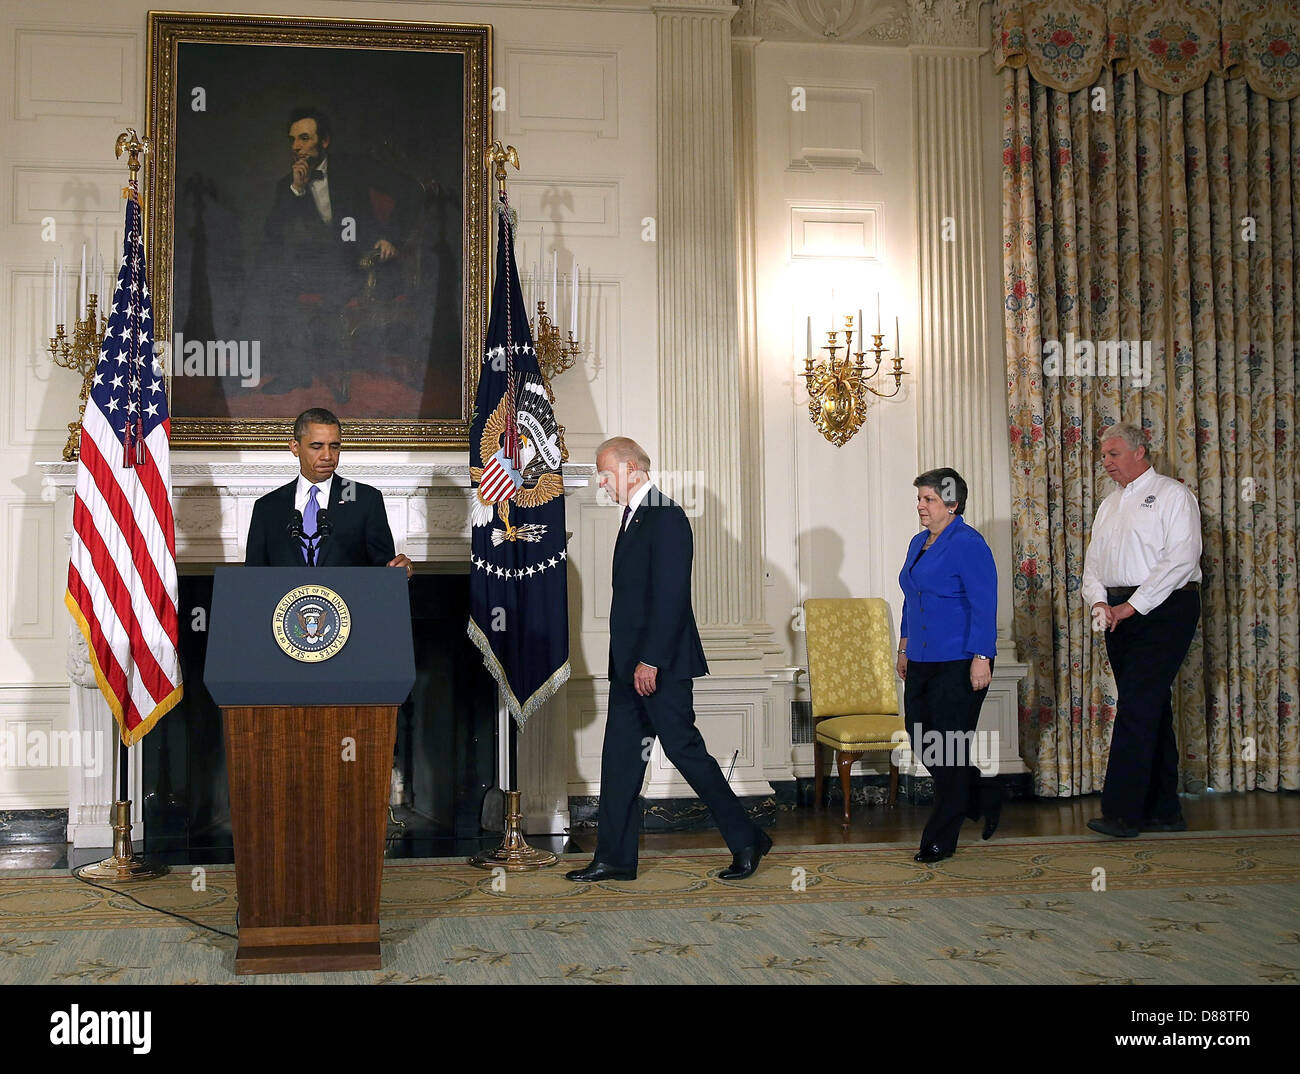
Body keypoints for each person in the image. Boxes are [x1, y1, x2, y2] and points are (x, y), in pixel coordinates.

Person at [566, 437, 772, 882]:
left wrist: (651, 660)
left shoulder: (667, 516)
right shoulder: (633, 517)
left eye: (606, 472)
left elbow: (671, 597)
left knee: (686, 753)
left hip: (659, 667)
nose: (600, 482)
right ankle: (614, 859)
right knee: (619, 760)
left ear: (633, 469)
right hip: (629, 668)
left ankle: (747, 838)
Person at [1081, 423, 1202, 838]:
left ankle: (1123, 813)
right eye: (1104, 455)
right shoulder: (1108, 505)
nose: (1106, 462)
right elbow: (1094, 562)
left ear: (1140, 451)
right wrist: (1100, 602)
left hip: (1166, 607)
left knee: (1136, 706)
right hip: (1118, 611)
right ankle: (1165, 810)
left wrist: (1132, 607)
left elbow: (1181, 560)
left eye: (1114, 453)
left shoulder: (1173, 495)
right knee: (1150, 705)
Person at [259, 107, 401, 401]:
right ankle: (295, 372)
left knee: (330, 298)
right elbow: (273, 235)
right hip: (312, 270)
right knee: (273, 284)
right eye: (293, 139)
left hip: (356, 265)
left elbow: (405, 193)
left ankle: (342, 373)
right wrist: (297, 190)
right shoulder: (286, 186)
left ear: (324, 142)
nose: (296, 146)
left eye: (304, 138)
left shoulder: (352, 172)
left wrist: (388, 237)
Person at [897, 467, 1000, 864]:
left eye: (929, 500)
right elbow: (911, 596)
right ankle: (981, 792)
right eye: (920, 498)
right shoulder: (917, 543)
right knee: (922, 737)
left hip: (961, 659)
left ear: (953, 504)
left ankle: (940, 839)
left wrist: (981, 657)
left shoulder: (969, 543)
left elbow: (984, 603)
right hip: (922, 657)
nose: (920, 506)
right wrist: (904, 646)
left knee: (950, 747)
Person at [245, 407, 415, 574]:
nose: (327, 456)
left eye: (334, 446)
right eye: (316, 446)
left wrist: (397, 572)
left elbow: (384, 569)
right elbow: (252, 578)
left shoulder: (365, 499)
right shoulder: (267, 507)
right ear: (295, 447)